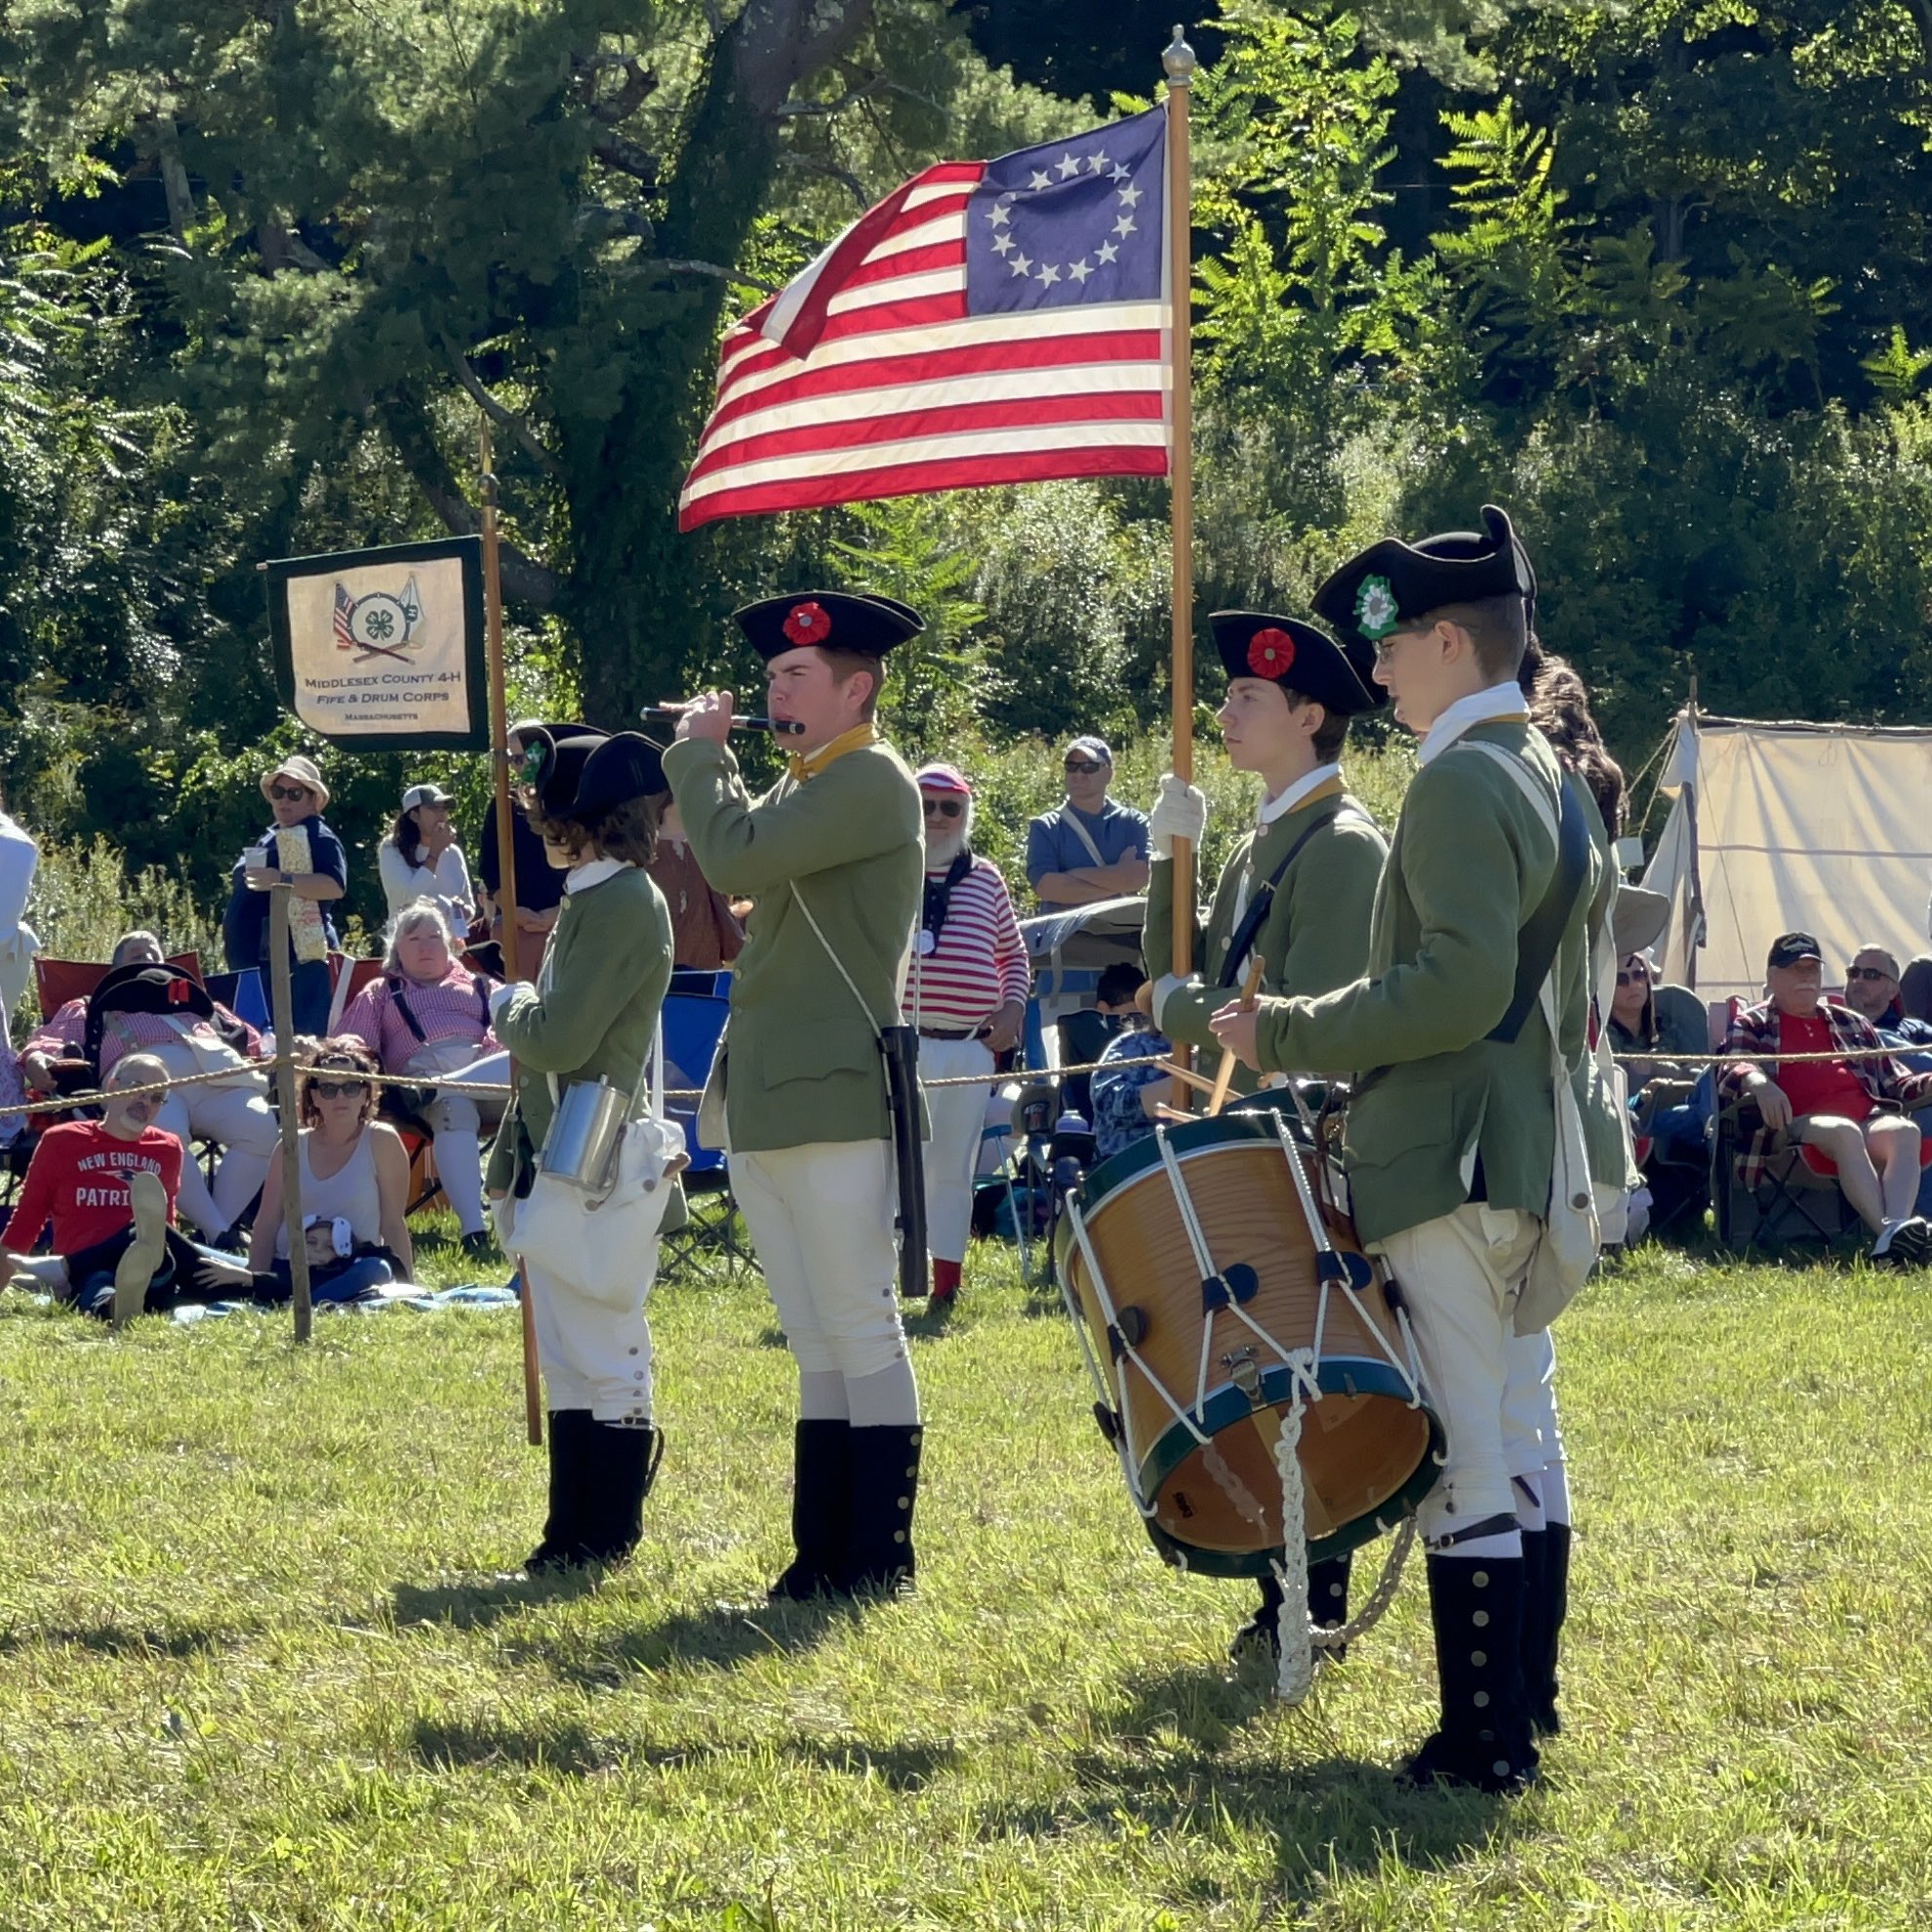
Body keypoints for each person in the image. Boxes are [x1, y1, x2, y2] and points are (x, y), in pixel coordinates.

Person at [1211, 504, 1593, 1792]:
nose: (1372, 668)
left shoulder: (1463, 777)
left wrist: (1283, 1029)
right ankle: (1522, 1708)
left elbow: (1457, 987)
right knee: (1519, 1430)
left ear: (1447, 641)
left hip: (1448, 1149)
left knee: (1468, 1453)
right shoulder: (1539, 766)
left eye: (1389, 643)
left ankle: (1484, 1744)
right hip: (1518, 1147)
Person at [664, 589, 926, 1602]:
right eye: (773, 677)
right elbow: (746, 844)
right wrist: (719, 768)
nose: (775, 692)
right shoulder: (810, 780)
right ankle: (822, 1556)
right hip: (776, 1089)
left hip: (832, 1092)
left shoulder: (870, 777)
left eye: (797, 676)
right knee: (815, 1334)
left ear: (856, 690)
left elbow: (733, 853)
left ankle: (880, 1556)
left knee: (857, 1320)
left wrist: (698, 757)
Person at [1140, 610, 1390, 1661]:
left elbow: (1310, 1026)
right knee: (1259, 1369)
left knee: (1314, 1371)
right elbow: (1175, 973)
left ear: (1309, 714)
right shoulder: (1261, 840)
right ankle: (1282, 1590)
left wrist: (1182, 1007)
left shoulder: (1342, 846)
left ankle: (1313, 1598)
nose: (1224, 711)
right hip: (1243, 1133)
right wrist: (1170, 856)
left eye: (1249, 696)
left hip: (1301, 1138)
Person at [486, 728, 675, 1573]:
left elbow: (558, 1039)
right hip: (561, 1142)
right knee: (566, 1351)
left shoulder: (625, 900)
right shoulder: (595, 896)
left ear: (580, 821)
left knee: (604, 1343)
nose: (537, 825)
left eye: (545, 812)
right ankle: (571, 1536)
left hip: (600, 1145)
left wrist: (509, 1003)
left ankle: (609, 1530)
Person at [20, 932, 279, 1246]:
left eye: (153, 952)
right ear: (115, 968)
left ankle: (212, 1232)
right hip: (141, 1080)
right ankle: (219, 1234)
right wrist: (36, 1059)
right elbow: (47, 1042)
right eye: (136, 953)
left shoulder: (201, 1003)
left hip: (217, 1078)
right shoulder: (88, 1005)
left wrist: (284, 1053)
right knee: (164, 1132)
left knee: (261, 1126)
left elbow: (258, 1044)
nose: (146, 956)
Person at [2, 1054, 278, 1324]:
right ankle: (114, 1305)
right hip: (92, 1268)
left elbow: (165, 1223)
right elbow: (27, 1219)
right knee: (100, 1283)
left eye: (156, 1098)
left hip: (152, 1264)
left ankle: (66, 1269)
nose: (145, 1102)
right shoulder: (63, 1140)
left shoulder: (166, 1147)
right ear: (113, 1086)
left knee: (162, 1241)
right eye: (138, 1089)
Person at [1716, 931, 1932, 1264]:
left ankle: (1894, 1234)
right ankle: (1888, 1235)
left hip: (1866, 1120)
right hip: (1791, 1128)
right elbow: (1733, 1065)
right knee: (1843, 1130)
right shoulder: (1753, 1022)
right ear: (1772, 977)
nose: (1806, 977)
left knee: (1905, 1131)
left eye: (1812, 969)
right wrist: (1759, 1083)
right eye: (1795, 969)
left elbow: (1896, 1081)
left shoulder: (1852, 1022)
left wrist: (1927, 1083)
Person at [907, 762, 1028, 1309]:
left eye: (949, 807)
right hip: (902, 1045)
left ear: (964, 814)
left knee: (953, 1170)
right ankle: (883, 1279)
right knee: (893, 1167)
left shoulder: (987, 878)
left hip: (969, 1047)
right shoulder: (888, 868)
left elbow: (1014, 956)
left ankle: (946, 1285)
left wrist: (1013, 1009)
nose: (937, 817)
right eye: (925, 805)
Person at [335, 901, 504, 1257]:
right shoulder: (381, 991)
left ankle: (436, 1090)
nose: (425, 946)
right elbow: (354, 1042)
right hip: (426, 1076)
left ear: (450, 943)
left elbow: (508, 1030)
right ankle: (475, 1233)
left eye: (434, 937)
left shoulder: (483, 985)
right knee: (453, 1106)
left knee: (527, 1078)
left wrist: (488, 1053)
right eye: (414, 939)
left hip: (491, 1075)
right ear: (397, 949)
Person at [249, 1042, 415, 1303]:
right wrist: (252, 1281)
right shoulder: (291, 1145)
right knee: (201, 1258)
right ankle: (285, 1295)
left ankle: (297, 1303)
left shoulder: (382, 1141)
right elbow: (266, 1223)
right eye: (328, 1089)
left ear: (366, 1094)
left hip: (347, 1270)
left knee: (377, 1269)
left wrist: (409, 1289)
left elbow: (393, 1223)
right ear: (314, 1097)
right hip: (286, 1267)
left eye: (351, 1087)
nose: (341, 1097)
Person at [222, 754, 347, 1037]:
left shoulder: (319, 836)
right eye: (278, 792)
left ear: (313, 800)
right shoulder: (273, 835)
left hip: (299, 965)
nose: (284, 800)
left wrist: (281, 880)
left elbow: (334, 885)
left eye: (294, 793)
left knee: (302, 1044)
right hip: (261, 965)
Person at [478, 720, 575, 983]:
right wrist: (513, 911)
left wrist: (559, 911)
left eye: (521, 758)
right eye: (511, 759)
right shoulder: (503, 805)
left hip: (568, 921)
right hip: (515, 927)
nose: (516, 766)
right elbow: (490, 869)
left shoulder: (571, 801)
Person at [1026, 737, 1150, 911]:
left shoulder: (1132, 822)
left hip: (1122, 927)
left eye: (1089, 767)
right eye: (1071, 766)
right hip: (1067, 929)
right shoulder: (1045, 827)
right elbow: (1047, 887)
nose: (1078, 774)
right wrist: (1119, 879)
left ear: (1108, 774)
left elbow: (1139, 877)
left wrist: (1073, 875)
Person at [649, 791, 745, 971]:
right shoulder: (644, 852)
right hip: (667, 965)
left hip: (693, 963)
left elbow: (721, 911)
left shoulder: (708, 846)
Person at [1087, 961, 1172, 1164]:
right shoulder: (1131, 1045)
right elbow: (1111, 1104)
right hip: (1133, 1165)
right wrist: (1185, 1082)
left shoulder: (1216, 1052)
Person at [379, 783, 474, 928]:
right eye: (433, 808)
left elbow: (469, 905)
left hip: (448, 940)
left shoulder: (453, 852)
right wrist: (434, 853)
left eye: (444, 808)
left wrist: (463, 911)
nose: (441, 814)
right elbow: (405, 899)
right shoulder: (391, 850)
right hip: (408, 939)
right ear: (414, 816)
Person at [1842, 943, 1932, 1072]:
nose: (1858, 980)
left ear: (1893, 990)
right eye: (1853, 972)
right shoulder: (1828, 1026)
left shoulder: (1916, 1030)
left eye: (1871, 975)